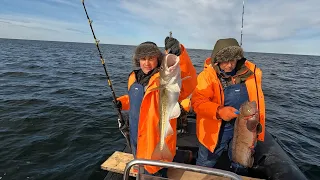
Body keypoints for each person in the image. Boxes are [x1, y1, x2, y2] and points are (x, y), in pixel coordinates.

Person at [114, 37, 197, 177]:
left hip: (156, 133)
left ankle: (163, 166)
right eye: (143, 58)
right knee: (140, 162)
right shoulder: (133, 77)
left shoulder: (164, 76)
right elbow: (137, 99)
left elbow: (189, 82)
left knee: (156, 168)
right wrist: (122, 102)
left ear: (158, 59)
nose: (146, 63)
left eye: (151, 58)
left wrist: (179, 54)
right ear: (137, 60)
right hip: (136, 133)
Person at [191, 38, 265, 175]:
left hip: (245, 126)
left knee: (241, 162)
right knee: (206, 161)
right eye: (225, 61)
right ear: (217, 60)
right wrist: (219, 111)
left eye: (233, 60)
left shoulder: (251, 74)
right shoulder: (206, 77)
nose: (229, 65)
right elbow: (197, 102)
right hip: (216, 129)